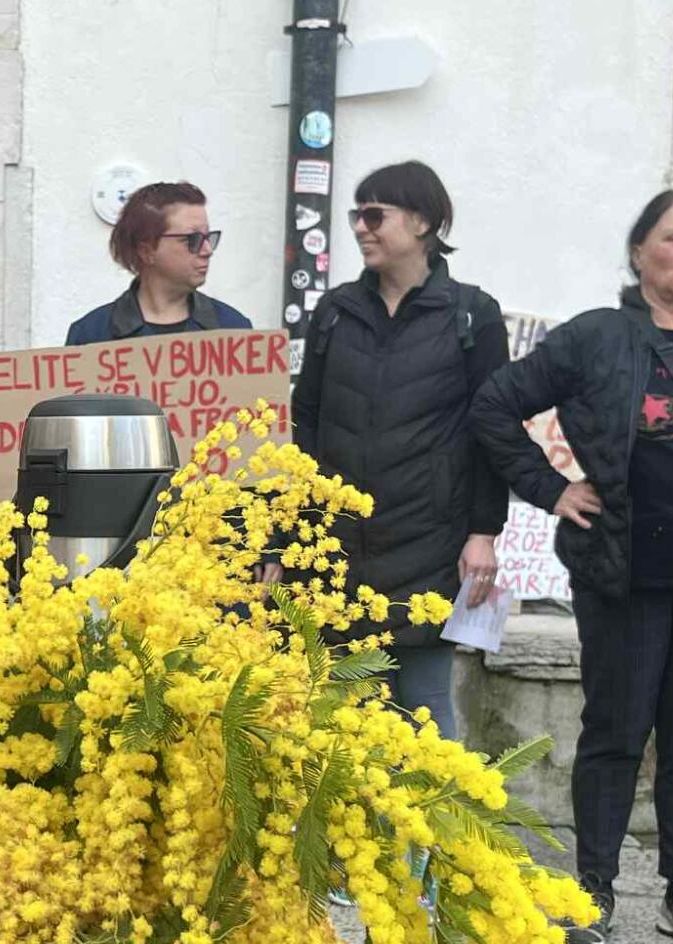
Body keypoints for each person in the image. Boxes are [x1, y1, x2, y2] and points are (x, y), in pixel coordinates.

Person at [471, 190, 673, 944]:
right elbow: (493, 406)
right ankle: (593, 890)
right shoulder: (596, 338)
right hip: (626, 572)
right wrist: (554, 490)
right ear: (639, 250)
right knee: (615, 736)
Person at [291, 161, 506, 737]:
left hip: (428, 544)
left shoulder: (471, 315)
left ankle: (434, 828)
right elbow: (304, 420)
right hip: (336, 543)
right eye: (356, 214)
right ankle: (346, 829)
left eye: (373, 214)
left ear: (422, 222)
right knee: (338, 712)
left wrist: (483, 532)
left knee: (424, 709)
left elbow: (493, 432)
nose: (361, 227)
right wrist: (298, 527)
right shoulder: (335, 312)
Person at [65, 181, 252, 344]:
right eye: (193, 240)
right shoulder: (92, 335)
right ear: (146, 251)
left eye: (208, 237)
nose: (207, 251)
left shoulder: (232, 329)